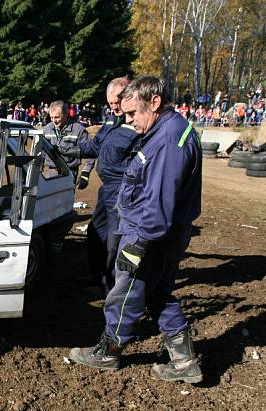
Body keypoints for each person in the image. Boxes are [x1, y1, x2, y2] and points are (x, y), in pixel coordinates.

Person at [69, 76, 203, 384]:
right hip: (160, 232)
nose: (127, 120)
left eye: (132, 113)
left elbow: (157, 200)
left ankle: (108, 351)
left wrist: (138, 245)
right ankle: (184, 361)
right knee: (156, 292)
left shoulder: (168, 141)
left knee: (125, 291)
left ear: (154, 102)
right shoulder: (168, 130)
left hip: (149, 233)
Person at [65, 77, 140, 294]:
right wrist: (74, 150)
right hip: (106, 189)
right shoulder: (109, 121)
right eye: (110, 103)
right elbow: (95, 146)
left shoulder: (138, 125)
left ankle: (112, 289)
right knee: (95, 232)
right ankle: (97, 277)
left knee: (114, 241)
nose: (114, 107)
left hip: (123, 189)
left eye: (117, 102)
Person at [43, 100, 91, 185]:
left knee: (64, 198)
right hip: (51, 172)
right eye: (51, 117)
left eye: (57, 117)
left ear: (66, 114)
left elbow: (89, 153)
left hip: (69, 173)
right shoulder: (47, 129)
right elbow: (41, 152)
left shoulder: (79, 130)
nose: (54, 121)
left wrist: (85, 173)